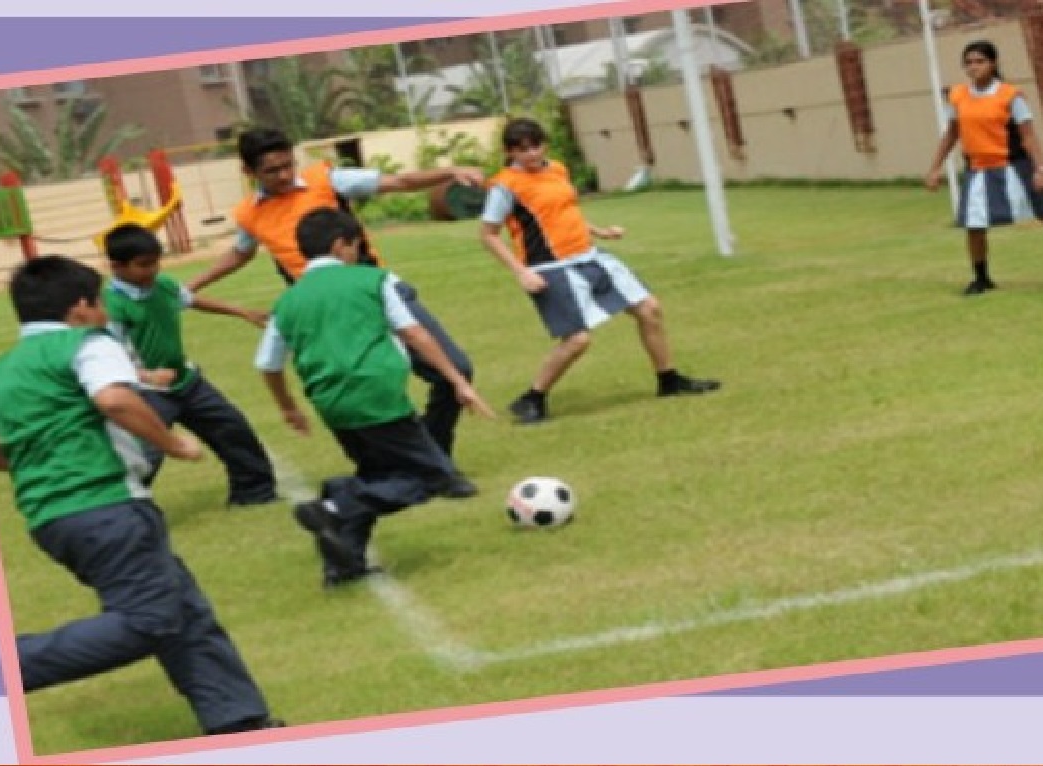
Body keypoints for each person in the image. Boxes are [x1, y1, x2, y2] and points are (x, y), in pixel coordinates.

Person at [0, 256, 282, 737]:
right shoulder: (88, 343)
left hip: (51, 519)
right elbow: (114, 399)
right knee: (150, 619)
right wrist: (173, 444)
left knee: (182, 607)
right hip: (106, 505)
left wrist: (34, 463)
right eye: (99, 302)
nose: (104, 312)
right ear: (80, 307)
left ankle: (237, 719)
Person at [187, 127, 481, 496]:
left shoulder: (327, 180)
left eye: (287, 165)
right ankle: (427, 469)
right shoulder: (249, 214)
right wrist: (192, 286)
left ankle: (429, 456)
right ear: (249, 172)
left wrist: (450, 172)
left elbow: (399, 181)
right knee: (358, 390)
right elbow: (240, 253)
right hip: (326, 316)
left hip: (378, 293)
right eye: (272, 170)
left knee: (455, 370)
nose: (284, 175)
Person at [255, 208, 495, 588]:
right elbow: (414, 333)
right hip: (378, 397)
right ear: (341, 245)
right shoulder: (373, 280)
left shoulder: (287, 302)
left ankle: (343, 564)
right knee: (432, 478)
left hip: (332, 405)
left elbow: (268, 364)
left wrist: (288, 407)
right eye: (356, 246)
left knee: (376, 477)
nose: (358, 253)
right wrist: (457, 381)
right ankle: (336, 504)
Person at [479, 117, 720, 425]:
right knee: (577, 340)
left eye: (535, 146)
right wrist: (520, 272)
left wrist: (599, 231)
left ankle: (669, 380)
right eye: (521, 149)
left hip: (590, 256)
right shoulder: (504, 186)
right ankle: (533, 398)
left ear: (544, 145)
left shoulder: (557, 169)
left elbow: (564, 210)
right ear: (509, 151)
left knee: (649, 309)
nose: (531, 154)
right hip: (550, 268)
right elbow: (488, 234)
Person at [103, 223, 278, 507]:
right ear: (116, 267)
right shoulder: (111, 306)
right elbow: (109, 358)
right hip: (145, 392)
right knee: (144, 456)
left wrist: (241, 312)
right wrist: (147, 376)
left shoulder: (163, 285)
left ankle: (255, 493)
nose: (152, 270)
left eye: (156, 262)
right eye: (143, 265)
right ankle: (118, 511)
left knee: (232, 428)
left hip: (186, 381)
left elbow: (190, 299)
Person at [924, 39, 1043, 296]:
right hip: (978, 169)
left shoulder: (1010, 96)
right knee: (975, 225)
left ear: (993, 64)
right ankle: (981, 278)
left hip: (1015, 166)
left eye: (980, 61)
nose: (973, 67)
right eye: (968, 62)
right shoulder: (958, 96)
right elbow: (951, 135)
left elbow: (1028, 136)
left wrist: (1040, 169)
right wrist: (935, 168)